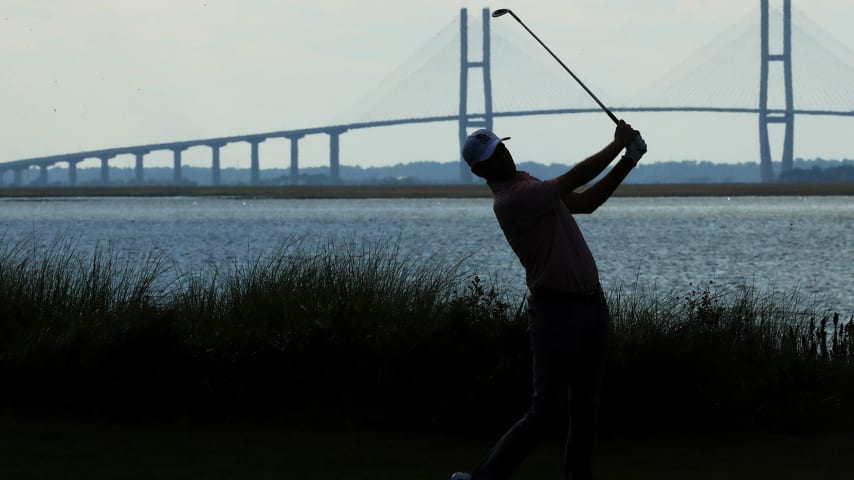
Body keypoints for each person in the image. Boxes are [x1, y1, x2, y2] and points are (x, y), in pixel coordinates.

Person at [450, 121, 647, 480]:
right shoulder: (513, 199)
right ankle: (482, 478)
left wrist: (628, 160)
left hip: (591, 306)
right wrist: (617, 144)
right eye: (495, 154)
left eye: (502, 147)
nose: (504, 154)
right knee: (545, 413)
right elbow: (574, 180)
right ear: (481, 170)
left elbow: (585, 203)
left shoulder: (526, 183)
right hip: (556, 312)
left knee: (586, 411)